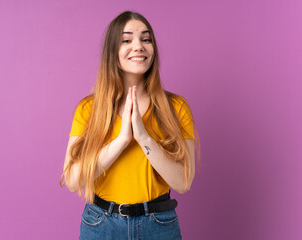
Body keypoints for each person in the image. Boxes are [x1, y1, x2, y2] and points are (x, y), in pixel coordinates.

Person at [60, 10, 201, 240]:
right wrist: (122, 140)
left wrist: (144, 138)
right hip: (101, 225)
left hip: (159, 225)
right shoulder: (88, 109)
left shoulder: (176, 107)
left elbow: (183, 182)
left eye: (146, 39)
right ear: (112, 51)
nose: (138, 46)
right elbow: (74, 181)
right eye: (127, 40)